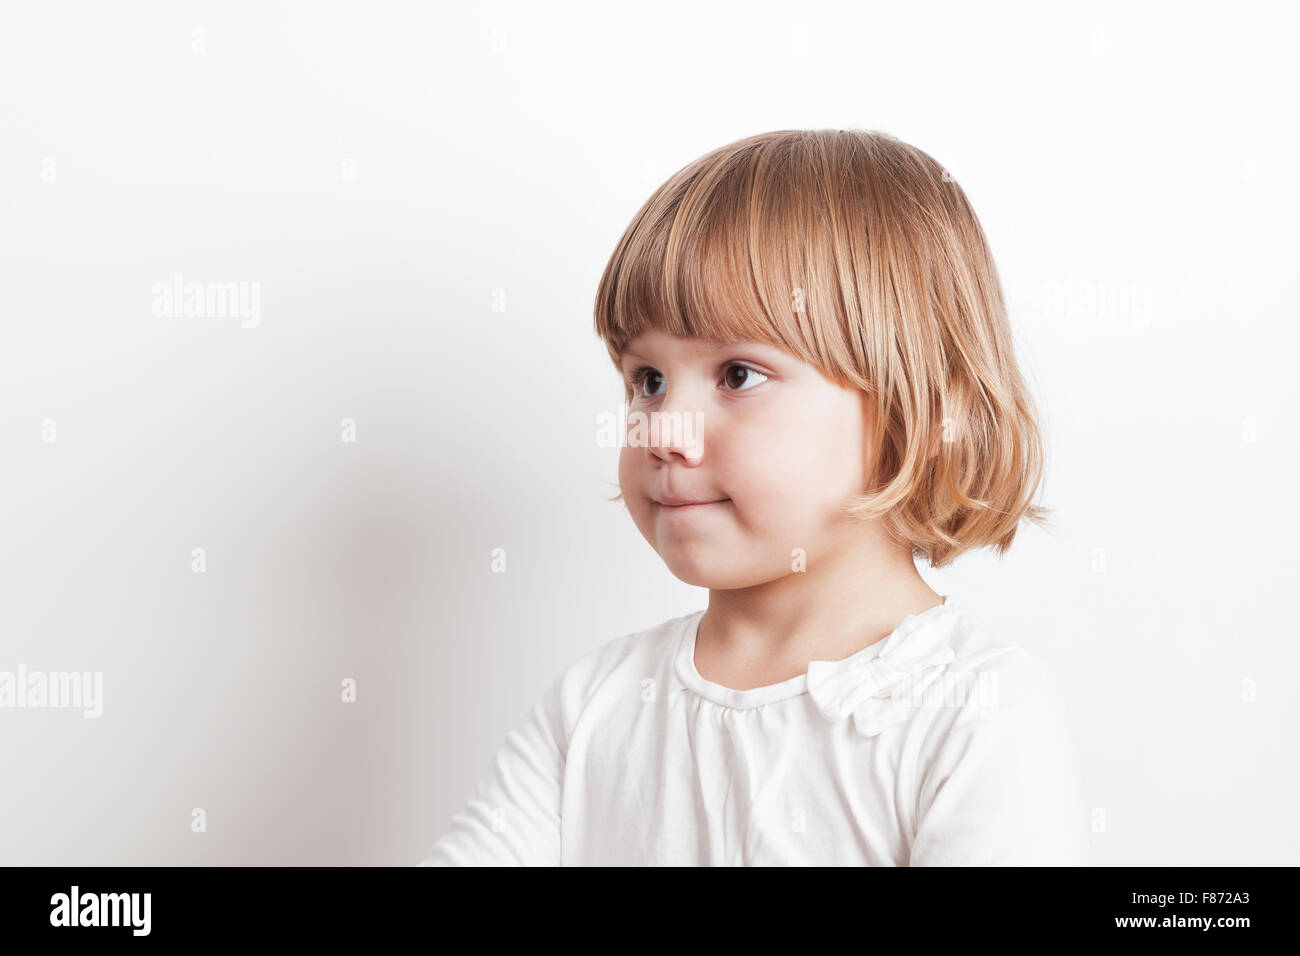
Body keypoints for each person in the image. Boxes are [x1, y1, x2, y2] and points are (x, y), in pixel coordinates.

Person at [419, 129, 1090, 866]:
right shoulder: (593, 708)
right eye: (647, 380)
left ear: (909, 411)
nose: (665, 431)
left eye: (737, 375)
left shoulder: (975, 714)